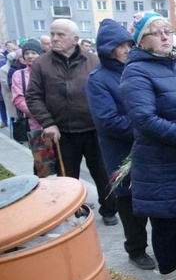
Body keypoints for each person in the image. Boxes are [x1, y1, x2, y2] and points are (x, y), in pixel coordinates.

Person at [120, 12, 176, 280]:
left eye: (168, 30)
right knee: (166, 224)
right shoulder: (136, 71)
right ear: (141, 40)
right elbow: (145, 120)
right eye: (157, 32)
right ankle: (169, 277)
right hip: (159, 163)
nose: (166, 37)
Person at [26, 20, 118, 225]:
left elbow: (106, 90)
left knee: (103, 172)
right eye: (52, 34)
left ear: (75, 39)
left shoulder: (93, 60)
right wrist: (48, 122)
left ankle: (109, 209)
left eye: (60, 34)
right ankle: (72, 210)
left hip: (94, 129)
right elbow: (33, 96)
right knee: (67, 177)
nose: (54, 38)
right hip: (61, 131)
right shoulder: (42, 63)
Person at [86, 19, 156, 271]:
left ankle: (162, 248)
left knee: (155, 197)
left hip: (149, 147)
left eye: (129, 44)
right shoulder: (98, 79)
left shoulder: (140, 68)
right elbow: (108, 120)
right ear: (107, 49)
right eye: (120, 46)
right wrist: (148, 128)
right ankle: (136, 250)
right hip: (122, 152)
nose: (127, 49)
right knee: (128, 202)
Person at [11, 39, 49, 173]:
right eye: (27, 53)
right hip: (35, 125)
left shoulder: (48, 71)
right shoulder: (19, 75)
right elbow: (18, 99)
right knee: (42, 164)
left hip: (56, 123)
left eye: (33, 52)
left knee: (62, 161)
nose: (30, 56)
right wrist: (41, 115)